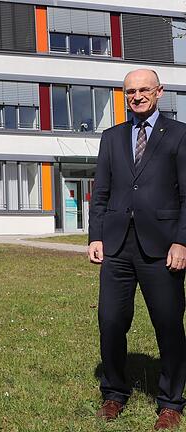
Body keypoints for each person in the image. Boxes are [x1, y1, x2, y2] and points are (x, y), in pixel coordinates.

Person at [89, 69, 186, 430]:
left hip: (163, 248)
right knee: (110, 322)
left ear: (159, 92)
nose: (137, 95)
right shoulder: (111, 138)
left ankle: (171, 402)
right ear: (124, 95)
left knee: (168, 324)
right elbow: (100, 192)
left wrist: (182, 240)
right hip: (116, 246)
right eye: (130, 91)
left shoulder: (179, 135)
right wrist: (95, 236)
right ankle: (114, 393)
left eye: (144, 89)